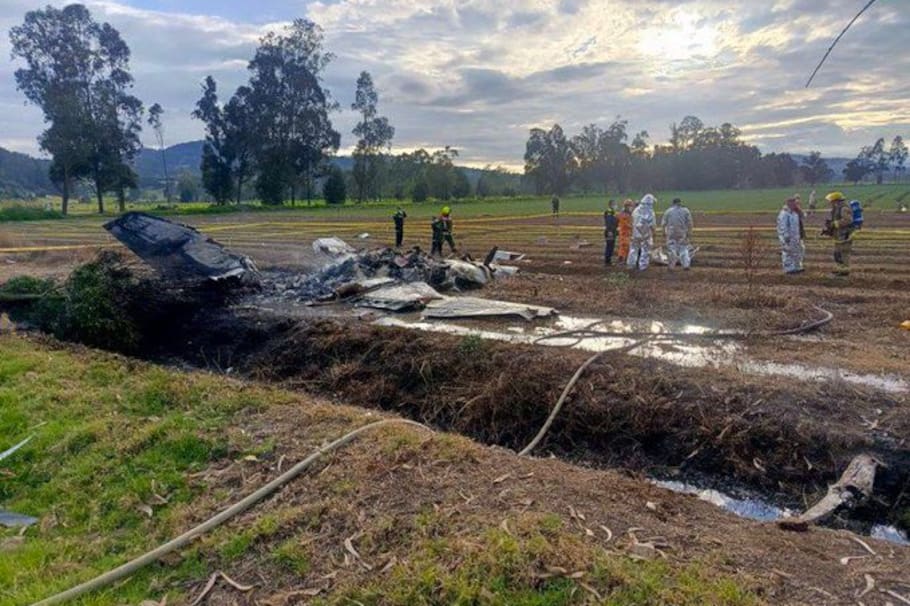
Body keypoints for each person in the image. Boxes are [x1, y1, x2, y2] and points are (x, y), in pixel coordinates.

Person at [822, 191, 855, 276]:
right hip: (839, 234)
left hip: (845, 234)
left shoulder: (843, 208)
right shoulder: (837, 207)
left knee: (843, 252)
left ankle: (844, 271)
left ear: (836, 201)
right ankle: (840, 269)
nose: (830, 203)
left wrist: (835, 224)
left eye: (831, 201)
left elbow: (848, 220)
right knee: (837, 253)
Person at [661, 197, 694, 269]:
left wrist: (663, 232)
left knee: (672, 249)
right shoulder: (685, 211)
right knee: (684, 248)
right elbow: (690, 223)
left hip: (671, 233)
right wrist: (690, 232)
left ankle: (671, 266)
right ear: (680, 202)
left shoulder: (668, 211)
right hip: (682, 232)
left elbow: (663, 223)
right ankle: (686, 265)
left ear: (673, 203)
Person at [627, 194, 656, 271]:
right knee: (645, 250)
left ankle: (631, 264)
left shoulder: (636, 210)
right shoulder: (650, 211)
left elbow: (632, 220)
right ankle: (643, 266)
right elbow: (652, 224)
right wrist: (653, 232)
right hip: (645, 233)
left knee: (633, 249)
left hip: (635, 233)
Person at [776, 197, 804, 274]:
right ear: (789, 203)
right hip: (788, 237)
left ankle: (797, 267)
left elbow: (802, 218)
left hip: (796, 236)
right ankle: (789, 268)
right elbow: (782, 226)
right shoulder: (784, 213)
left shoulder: (795, 213)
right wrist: (785, 236)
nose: (795, 204)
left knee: (798, 251)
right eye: (794, 203)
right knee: (788, 252)